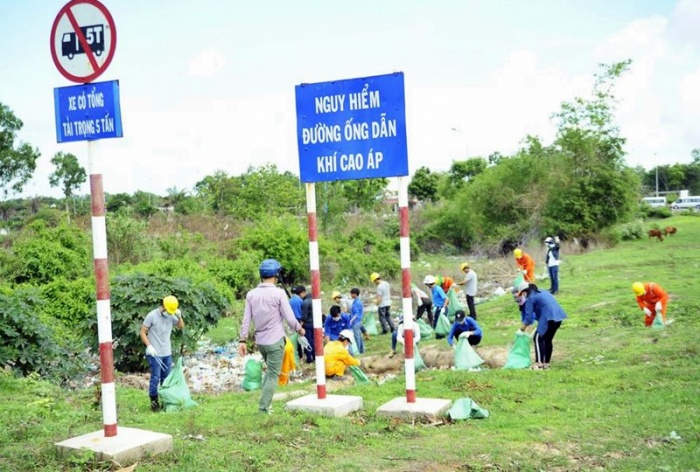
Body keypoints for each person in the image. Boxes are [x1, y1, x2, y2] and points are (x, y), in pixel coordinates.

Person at [238, 259, 305, 414]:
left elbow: (246, 320)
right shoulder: (279, 293)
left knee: (269, 372)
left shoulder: (251, 294)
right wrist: (299, 329)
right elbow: (289, 318)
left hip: (261, 342)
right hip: (275, 341)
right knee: (273, 375)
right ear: (276, 276)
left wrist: (242, 340)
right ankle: (263, 408)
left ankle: (266, 403)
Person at [141, 295, 185, 411]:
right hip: (154, 352)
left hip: (167, 352)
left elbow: (181, 326)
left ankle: (165, 401)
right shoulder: (152, 316)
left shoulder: (171, 315)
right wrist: (149, 346)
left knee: (166, 378)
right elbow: (143, 331)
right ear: (163, 306)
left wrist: (179, 317)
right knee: (155, 377)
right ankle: (154, 402)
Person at [516, 281, 567, 370]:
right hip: (558, 317)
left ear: (524, 291)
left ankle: (539, 363)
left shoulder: (530, 298)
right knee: (547, 339)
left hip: (548, 318)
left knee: (537, 338)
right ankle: (546, 364)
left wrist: (521, 329)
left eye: (522, 293)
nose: (523, 296)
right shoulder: (542, 291)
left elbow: (528, 319)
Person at [290, 285, 306, 360]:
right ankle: (306, 352)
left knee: (296, 338)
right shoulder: (300, 300)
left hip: (293, 320)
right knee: (303, 336)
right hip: (301, 320)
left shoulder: (290, 300)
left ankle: (298, 355)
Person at [299, 286, 315, 363]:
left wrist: (300, 326)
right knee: (314, 340)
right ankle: (315, 356)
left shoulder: (305, 303)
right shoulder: (315, 301)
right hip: (315, 324)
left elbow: (304, 317)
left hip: (308, 324)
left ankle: (309, 358)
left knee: (308, 341)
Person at [349, 288, 366, 354]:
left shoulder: (356, 303)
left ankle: (358, 350)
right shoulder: (357, 301)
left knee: (357, 337)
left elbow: (356, 313)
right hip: (358, 321)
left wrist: (351, 320)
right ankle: (362, 350)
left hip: (356, 322)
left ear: (355, 294)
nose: (351, 295)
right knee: (359, 336)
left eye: (351, 293)